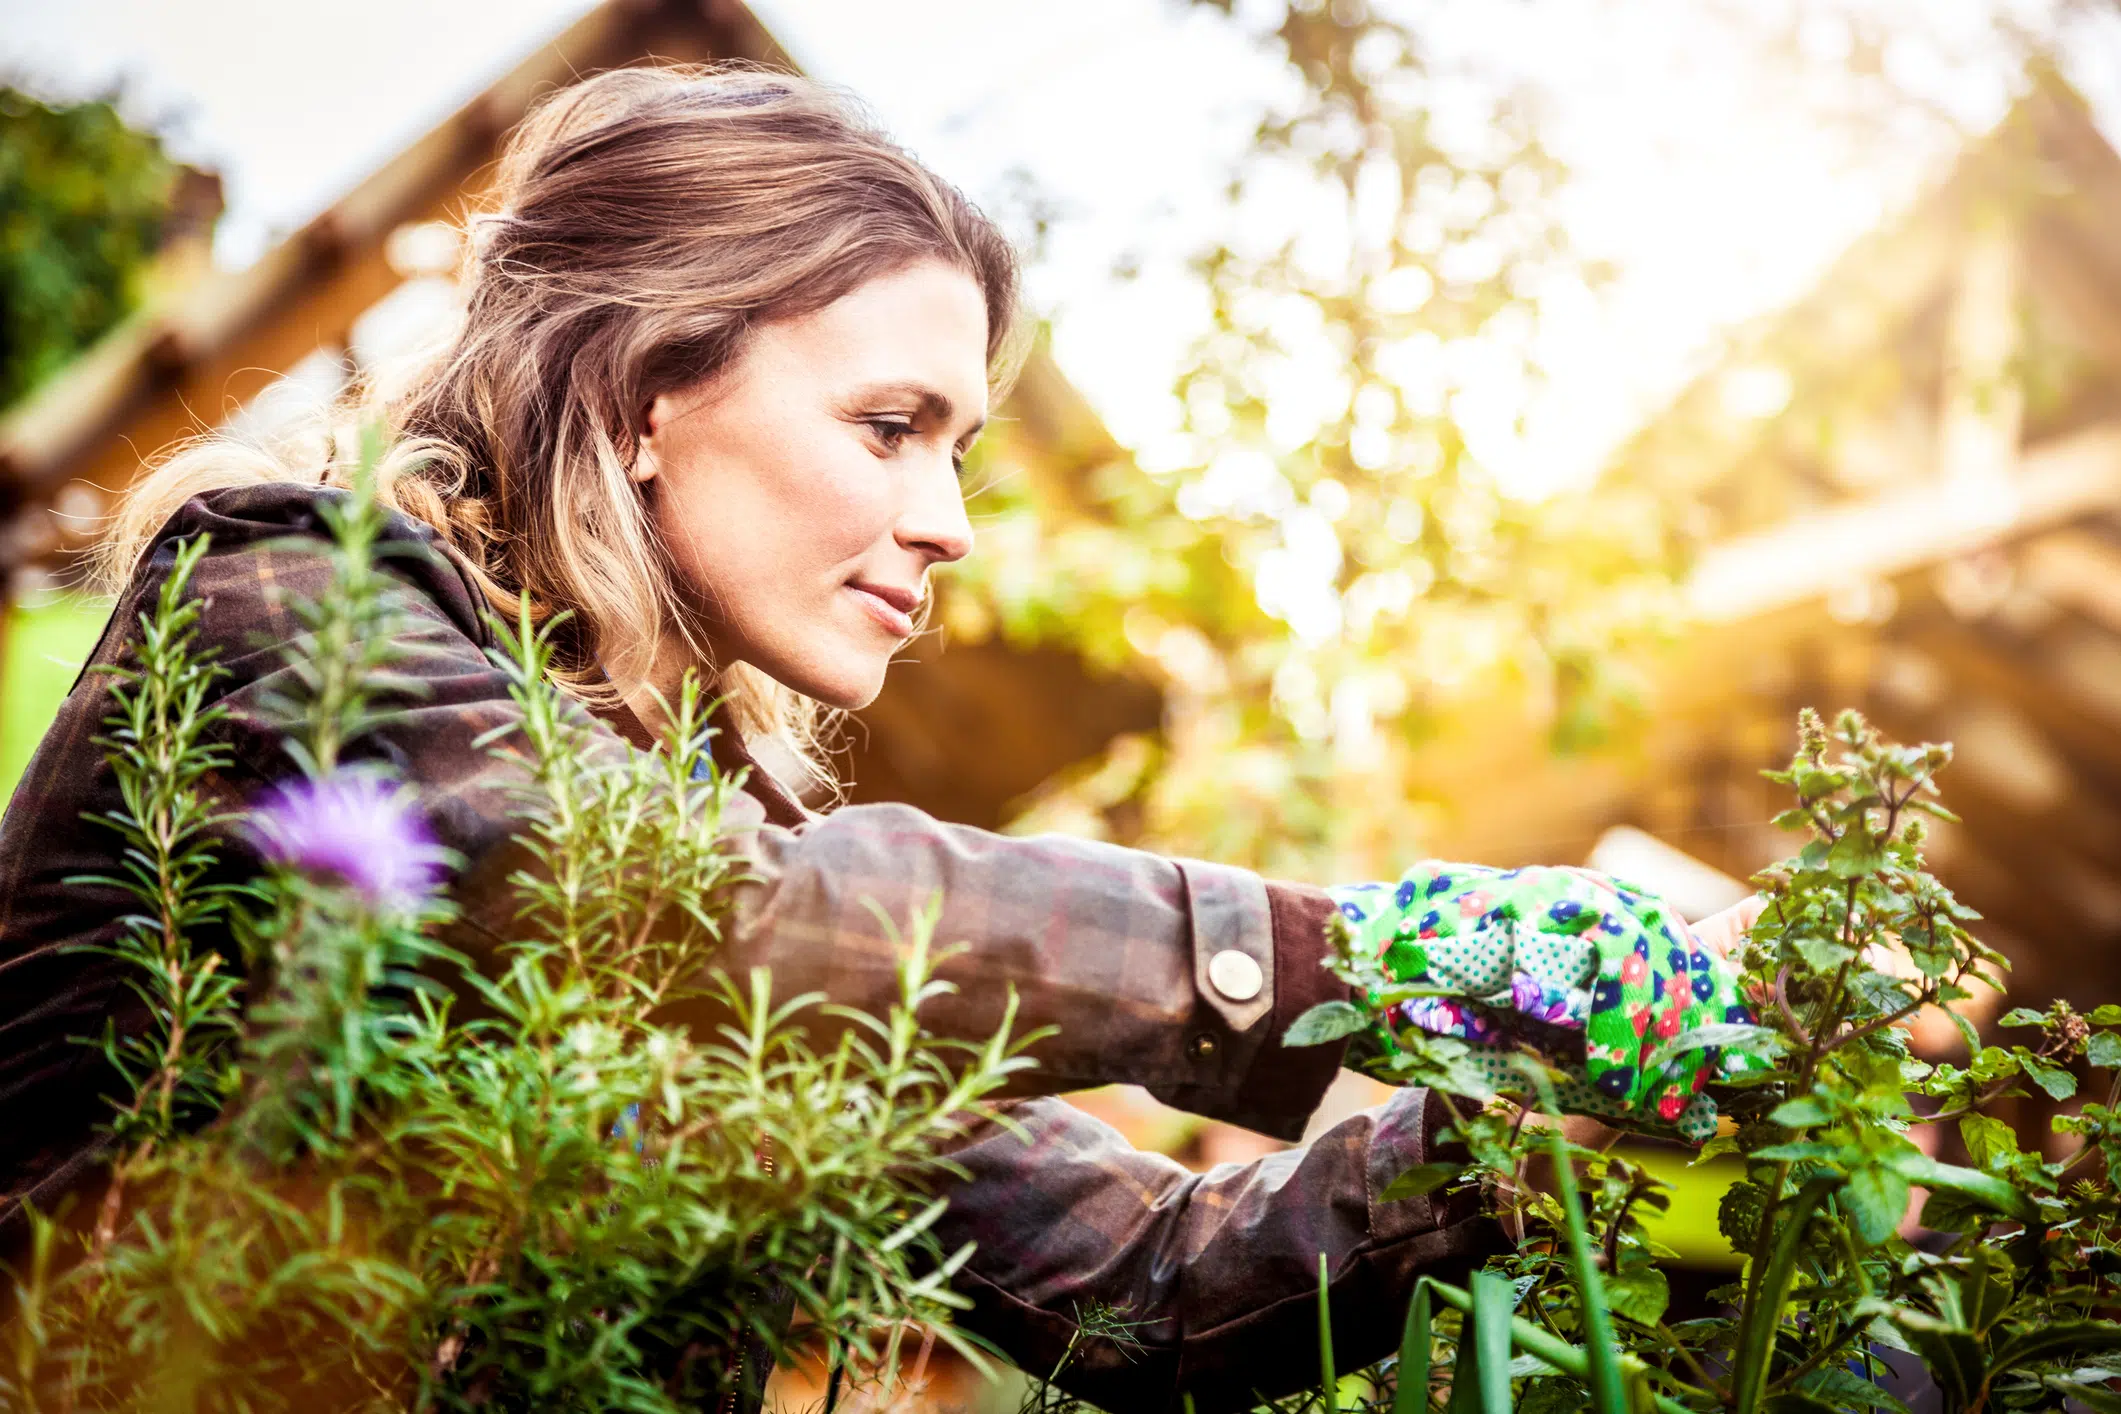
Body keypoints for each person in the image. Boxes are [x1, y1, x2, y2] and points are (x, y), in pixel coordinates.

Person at [0, 65, 1756, 1412]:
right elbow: (699, 908)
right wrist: (1359, 954)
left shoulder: (711, 849)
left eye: (962, 451)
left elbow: (1151, 1272)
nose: (953, 524)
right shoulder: (285, 615)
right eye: (890, 425)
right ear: (639, 398)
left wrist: (1534, 1137)